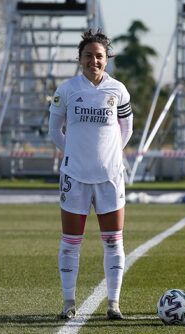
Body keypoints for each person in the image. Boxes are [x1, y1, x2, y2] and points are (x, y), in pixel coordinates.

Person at [48, 29, 133, 320]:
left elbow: (126, 129)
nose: (93, 61)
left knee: (113, 241)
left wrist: (110, 154)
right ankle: (68, 303)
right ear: (80, 59)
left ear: (106, 59)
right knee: (71, 243)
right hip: (75, 177)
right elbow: (54, 130)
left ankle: (114, 304)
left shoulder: (118, 90)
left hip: (110, 177)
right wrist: (73, 152)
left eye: (99, 56)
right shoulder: (67, 89)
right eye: (88, 56)